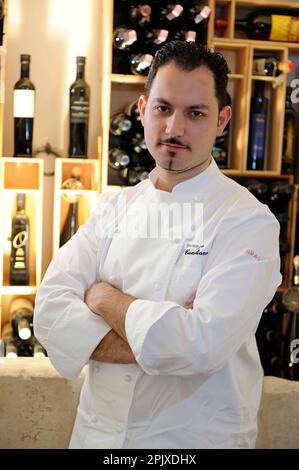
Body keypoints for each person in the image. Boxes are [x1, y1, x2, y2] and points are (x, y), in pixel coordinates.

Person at [34, 41, 281, 449]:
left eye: (195, 113)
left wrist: (106, 301)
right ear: (144, 108)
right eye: (163, 108)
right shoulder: (114, 206)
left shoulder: (247, 221)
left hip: (192, 441)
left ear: (222, 120)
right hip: (99, 438)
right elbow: (50, 312)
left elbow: (202, 345)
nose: (174, 129)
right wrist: (162, 338)